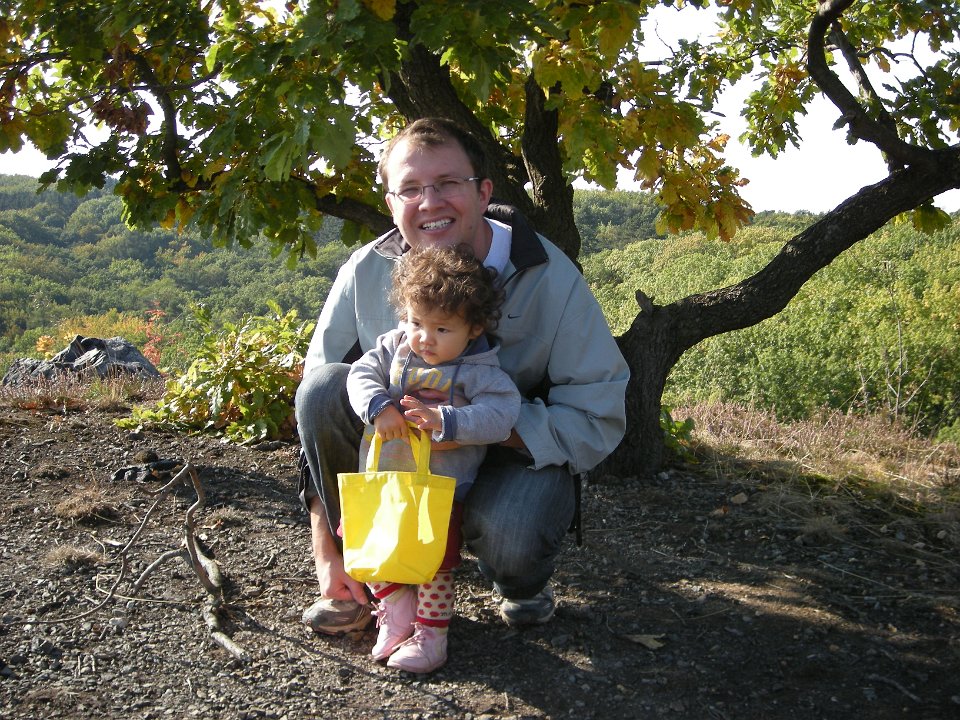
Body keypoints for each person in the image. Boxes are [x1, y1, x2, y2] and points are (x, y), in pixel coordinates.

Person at [296, 117, 628, 646]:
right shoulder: (365, 271)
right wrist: (323, 546)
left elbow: (597, 413)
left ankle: (518, 581)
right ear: (391, 203)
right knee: (323, 387)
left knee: (513, 532)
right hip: (398, 457)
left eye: (448, 183)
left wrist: (467, 426)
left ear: (484, 192)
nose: (429, 202)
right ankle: (364, 566)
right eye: (410, 189)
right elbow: (316, 407)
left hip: (510, 454)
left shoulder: (550, 275)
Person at [345, 243, 521, 673]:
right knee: (360, 537)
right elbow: (360, 373)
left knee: (434, 560)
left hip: (440, 488)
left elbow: (501, 416)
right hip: (385, 478)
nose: (424, 338)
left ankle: (431, 634)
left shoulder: (480, 371)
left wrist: (446, 421)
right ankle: (396, 607)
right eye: (415, 322)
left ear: (473, 328)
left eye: (442, 329)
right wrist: (379, 408)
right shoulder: (395, 347)